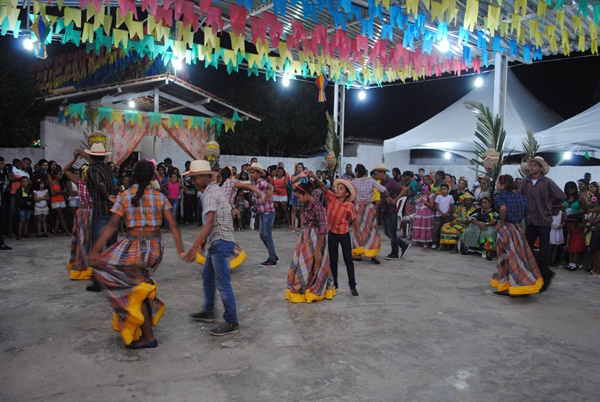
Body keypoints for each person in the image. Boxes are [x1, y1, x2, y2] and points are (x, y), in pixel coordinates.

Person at [89, 160, 184, 349]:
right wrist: (181, 250)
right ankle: (143, 323)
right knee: (140, 286)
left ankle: (148, 336)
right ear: (152, 177)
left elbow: (112, 225)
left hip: (133, 247)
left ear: (133, 175)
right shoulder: (159, 196)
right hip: (155, 248)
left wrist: (95, 250)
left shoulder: (124, 196)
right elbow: (173, 225)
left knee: (125, 283)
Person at [183, 160, 240, 336]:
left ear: (204, 177)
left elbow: (209, 222)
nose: (193, 182)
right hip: (219, 241)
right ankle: (208, 310)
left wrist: (194, 248)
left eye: (194, 178)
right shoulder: (215, 190)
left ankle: (232, 321)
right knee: (207, 275)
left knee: (222, 283)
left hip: (220, 242)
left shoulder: (209, 194)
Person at [307, 170, 359, 297]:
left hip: (344, 234)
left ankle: (352, 286)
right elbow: (323, 187)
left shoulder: (349, 205)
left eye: (341, 189)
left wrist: (358, 235)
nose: (337, 190)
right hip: (332, 234)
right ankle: (334, 284)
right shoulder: (331, 198)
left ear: (346, 193)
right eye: (337, 188)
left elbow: (354, 220)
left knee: (348, 260)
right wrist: (315, 177)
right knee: (333, 260)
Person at [520, 156, 566, 292]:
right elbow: (519, 196)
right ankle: (541, 273)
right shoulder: (526, 182)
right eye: (531, 165)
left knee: (544, 251)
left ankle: (544, 279)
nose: (531, 167)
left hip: (544, 220)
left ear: (540, 168)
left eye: (535, 165)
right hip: (531, 220)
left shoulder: (547, 182)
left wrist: (550, 205)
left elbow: (561, 195)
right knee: (526, 248)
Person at [492, 174, 543, 296]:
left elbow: (503, 208)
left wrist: (501, 222)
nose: (497, 185)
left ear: (503, 185)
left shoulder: (500, 196)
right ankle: (520, 283)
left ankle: (509, 285)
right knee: (519, 257)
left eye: (498, 183)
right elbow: (528, 214)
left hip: (507, 228)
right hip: (518, 229)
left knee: (506, 257)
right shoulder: (520, 197)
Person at [286, 181, 336, 303]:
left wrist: (318, 250)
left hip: (315, 239)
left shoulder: (319, 208)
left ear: (307, 194)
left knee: (309, 264)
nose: (298, 200)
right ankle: (306, 288)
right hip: (306, 236)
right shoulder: (308, 203)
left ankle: (308, 289)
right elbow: (293, 182)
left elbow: (323, 230)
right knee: (303, 263)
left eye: (299, 197)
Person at [85, 139, 118, 292]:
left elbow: (99, 184)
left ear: (91, 156)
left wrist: (106, 196)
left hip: (100, 211)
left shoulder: (92, 170)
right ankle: (112, 278)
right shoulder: (107, 169)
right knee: (111, 246)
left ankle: (98, 281)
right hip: (112, 211)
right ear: (103, 156)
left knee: (97, 247)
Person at [350, 163, 390, 264]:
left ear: (357, 172)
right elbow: (384, 190)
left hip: (358, 208)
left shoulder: (353, 182)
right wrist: (388, 198)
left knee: (357, 230)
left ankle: (357, 254)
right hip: (369, 208)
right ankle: (373, 254)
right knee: (372, 231)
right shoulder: (371, 181)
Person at [64, 149, 94, 280]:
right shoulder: (80, 182)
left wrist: (85, 156)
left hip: (92, 212)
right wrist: (75, 158)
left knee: (92, 241)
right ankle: (81, 266)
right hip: (83, 213)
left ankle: (89, 264)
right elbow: (66, 170)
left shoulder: (96, 183)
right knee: (82, 240)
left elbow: (100, 167)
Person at [373, 163, 410, 259]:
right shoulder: (382, 183)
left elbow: (404, 189)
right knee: (387, 232)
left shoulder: (391, 182)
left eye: (377, 174)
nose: (376, 176)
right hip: (384, 209)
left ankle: (395, 252)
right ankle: (402, 245)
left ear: (382, 173)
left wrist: (396, 200)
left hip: (391, 209)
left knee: (391, 233)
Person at [247, 162, 278, 266]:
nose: (251, 174)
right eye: (250, 173)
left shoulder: (261, 181)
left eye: (253, 173)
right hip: (262, 212)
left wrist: (269, 194)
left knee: (266, 235)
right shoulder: (254, 183)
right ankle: (273, 255)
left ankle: (272, 258)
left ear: (259, 173)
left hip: (268, 211)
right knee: (263, 235)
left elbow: (270, 187)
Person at [411, 184, 436, 248]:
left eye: (425, 189)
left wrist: (425, 202)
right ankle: (418, 241)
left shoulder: (430, 195)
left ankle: (426, 242)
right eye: (422, 189)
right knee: (419, 227)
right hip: (419, 214)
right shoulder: (420, 195)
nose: (424, 191)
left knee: (425, 227)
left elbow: (432, 205)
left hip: (426, 215)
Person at [433, 183, 453, 250]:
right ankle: (435, 243)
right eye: (442, 189)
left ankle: (442, 244)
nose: (443, 191)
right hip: (438, 215)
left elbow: (451, 206)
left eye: (445, 189)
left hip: (446, 216)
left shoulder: (450, 197)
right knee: (436, 229)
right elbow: (436, 206)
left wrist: (447, 212)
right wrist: (441, 213)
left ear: (448, 190)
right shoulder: (438, 197)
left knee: (443, 230)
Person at [0, 157, 11, 250]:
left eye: (2, 163)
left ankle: (1, 243)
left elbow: (4, 188)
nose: (1, 165)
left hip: (2, 201)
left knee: (2, 222)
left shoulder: (2, 175)